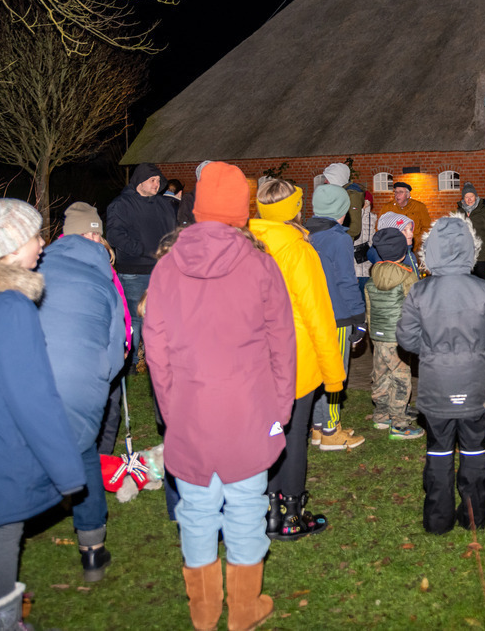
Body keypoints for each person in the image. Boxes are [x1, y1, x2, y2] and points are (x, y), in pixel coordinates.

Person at [143, 162, 295, 631]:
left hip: (191, 408)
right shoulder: (260, 264)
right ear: (241, 210)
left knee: (197, 510)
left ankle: (205, 612)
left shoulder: (167, 266)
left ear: (198, 208)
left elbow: (156, 349)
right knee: (247, 506)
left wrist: (172, 410)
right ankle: (243, 610)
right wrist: (280, 408)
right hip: (249, 408)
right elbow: (282, 343)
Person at [0, 199, 85, 631]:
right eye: (34, 236)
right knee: (1, 533)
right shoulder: (10, 306)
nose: (42, 243)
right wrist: (68, 471)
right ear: (9, 247)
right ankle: (1, 623)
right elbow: (32, 396)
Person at [397, 214, 485, 534]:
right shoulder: (482, 289)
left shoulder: (420, 291)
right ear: (470, 247)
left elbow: (405, 337)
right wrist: (474, 349)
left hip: (436, 384)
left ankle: (438, 519)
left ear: (431, 249)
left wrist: (431, 351)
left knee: (438, 451)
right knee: (474, 449)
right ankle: (475, 517)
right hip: (472, 384)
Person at [249, 179, 347, 540]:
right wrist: (333, 373)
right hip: (294, 359)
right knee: (292, 435)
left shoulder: (246, 244)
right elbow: (317, 315)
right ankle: (291, 513)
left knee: (268, 432)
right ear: (294, 209)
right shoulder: (298, 250)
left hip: (256, 357)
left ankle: (268, 509)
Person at [37, 202, 126, 582]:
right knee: (84, 450)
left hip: (31, 378)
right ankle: (91, 548)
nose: (93, 238)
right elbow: (117, 345)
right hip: (80, 381)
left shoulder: (36, 264)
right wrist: (101, 378)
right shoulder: (103, 276)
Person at [305, 185, 367, 451]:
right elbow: (346, 280)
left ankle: (318, 427)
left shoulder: (306, 235)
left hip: (313, 314)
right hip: (338, 316)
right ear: (342, 210)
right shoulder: (339, 238)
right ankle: (331, 430)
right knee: (335, 373)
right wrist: (359, 317)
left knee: (318, 372)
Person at [105, 162, 176, 375]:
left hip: (161, 270)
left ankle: (160, 361)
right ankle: (132, 362)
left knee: (161, 316)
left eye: (158, 181)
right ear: (140, 181)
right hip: (134, 271)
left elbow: (172, 231)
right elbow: (114, 234)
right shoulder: (121, 204)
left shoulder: (164, 205)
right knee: (135, 318)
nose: (157, 184)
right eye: (152, 180)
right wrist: (139, 249)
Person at [365, 228, 424, 439]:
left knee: (380, 374)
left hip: (378, 336)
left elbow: (369, 308)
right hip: (399, 336)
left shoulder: (373, 276)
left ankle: (382, 415)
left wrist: (372, 332)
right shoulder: (407, 276)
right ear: (402, 251)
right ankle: (399, 422)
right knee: (401, 377)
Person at [456, 182, 485, 280]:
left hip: (481, 255)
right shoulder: (460, 211)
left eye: (471, 196)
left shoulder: (484, 210)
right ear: (463, 198)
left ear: (475, 196)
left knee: (480, 283)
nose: (469, 199)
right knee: (467, 284)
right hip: (465, 256)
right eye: (466, 197)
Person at [378, 181, 432, 252]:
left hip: (414, 248)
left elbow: (427, 228)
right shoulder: (387, 208)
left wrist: (415, 241)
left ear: (408, 195)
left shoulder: (419, 207)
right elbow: (379, 227)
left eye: (401, 192)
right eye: (396, 192)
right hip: (393, 248)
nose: (397, 195)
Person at [371, 212, 421, 277]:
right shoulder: (392, 257)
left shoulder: (408, 251)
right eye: (404, 230)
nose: (411, 234)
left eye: (411, 229)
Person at [353, 192, 377, 298]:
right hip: (355, 265)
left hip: (368, 264)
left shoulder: (374, 218)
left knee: (366, 296)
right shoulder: (354, 218)